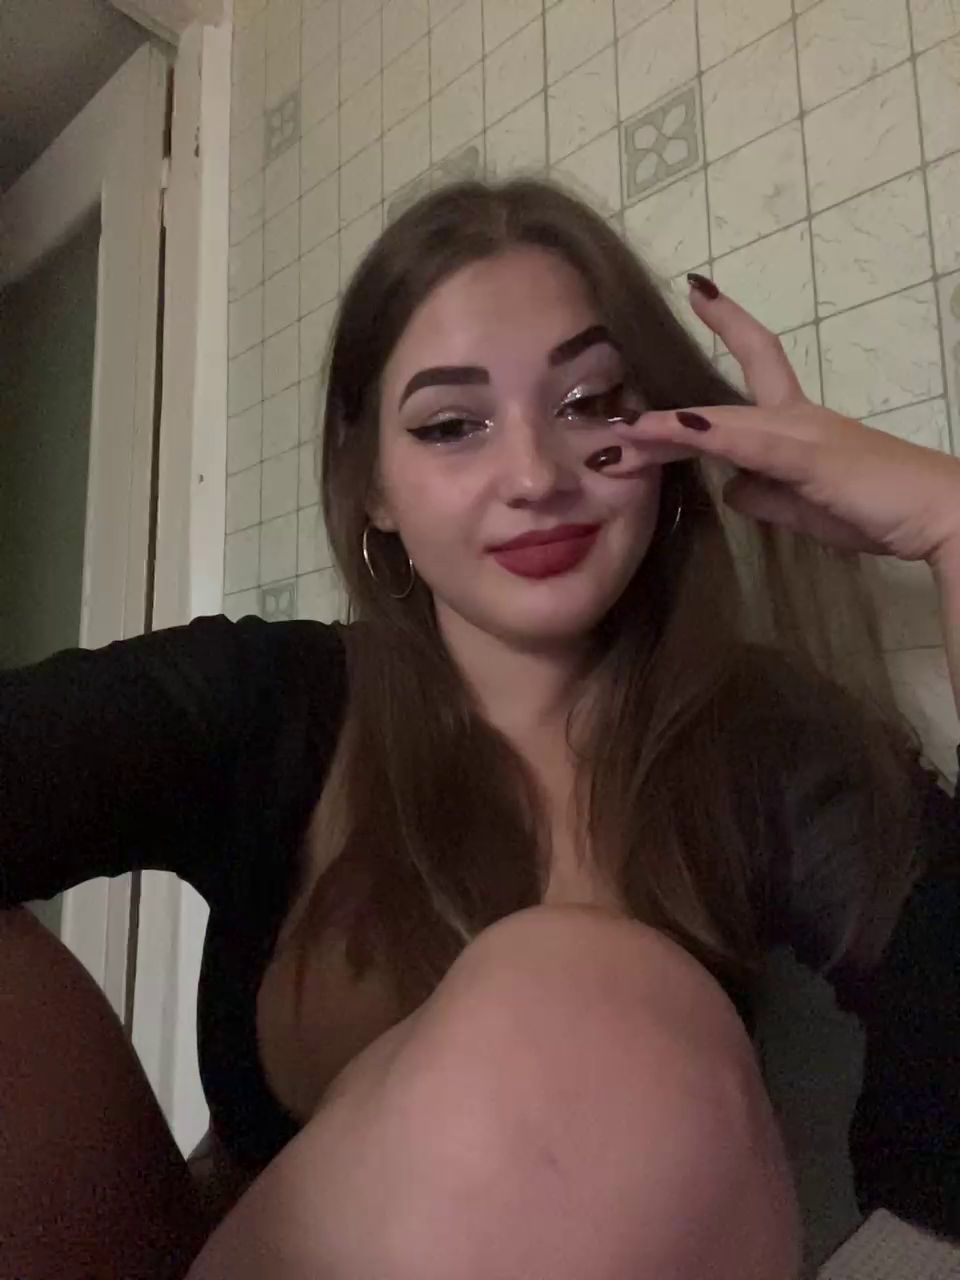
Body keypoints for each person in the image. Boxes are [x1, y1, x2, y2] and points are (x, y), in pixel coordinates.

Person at [1, 178, 958, 1280]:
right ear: (373, 486)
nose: (535, 476)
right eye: (453, 425)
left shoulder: (758, 739)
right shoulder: (271, 700)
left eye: (590, 403)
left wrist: (950, 522)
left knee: (570, 995)